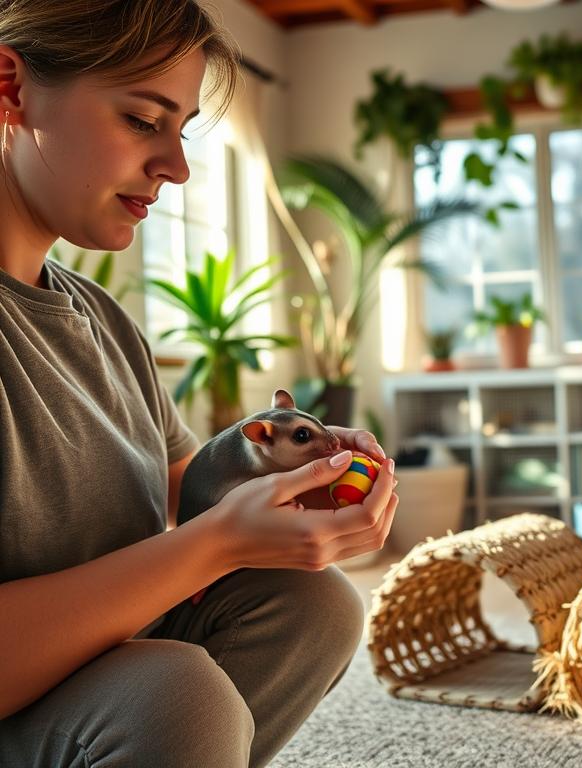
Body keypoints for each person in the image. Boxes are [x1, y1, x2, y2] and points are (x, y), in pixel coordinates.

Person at [0, 2, 398, 766]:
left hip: (83, 688)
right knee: (177, 695)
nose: (176, 168)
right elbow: (200, 540)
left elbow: (193, 492)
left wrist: (299, 478)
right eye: (143, 121)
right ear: (9, 86)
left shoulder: (102, 321)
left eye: (180, 131)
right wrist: (212, 546)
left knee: (310, 605)